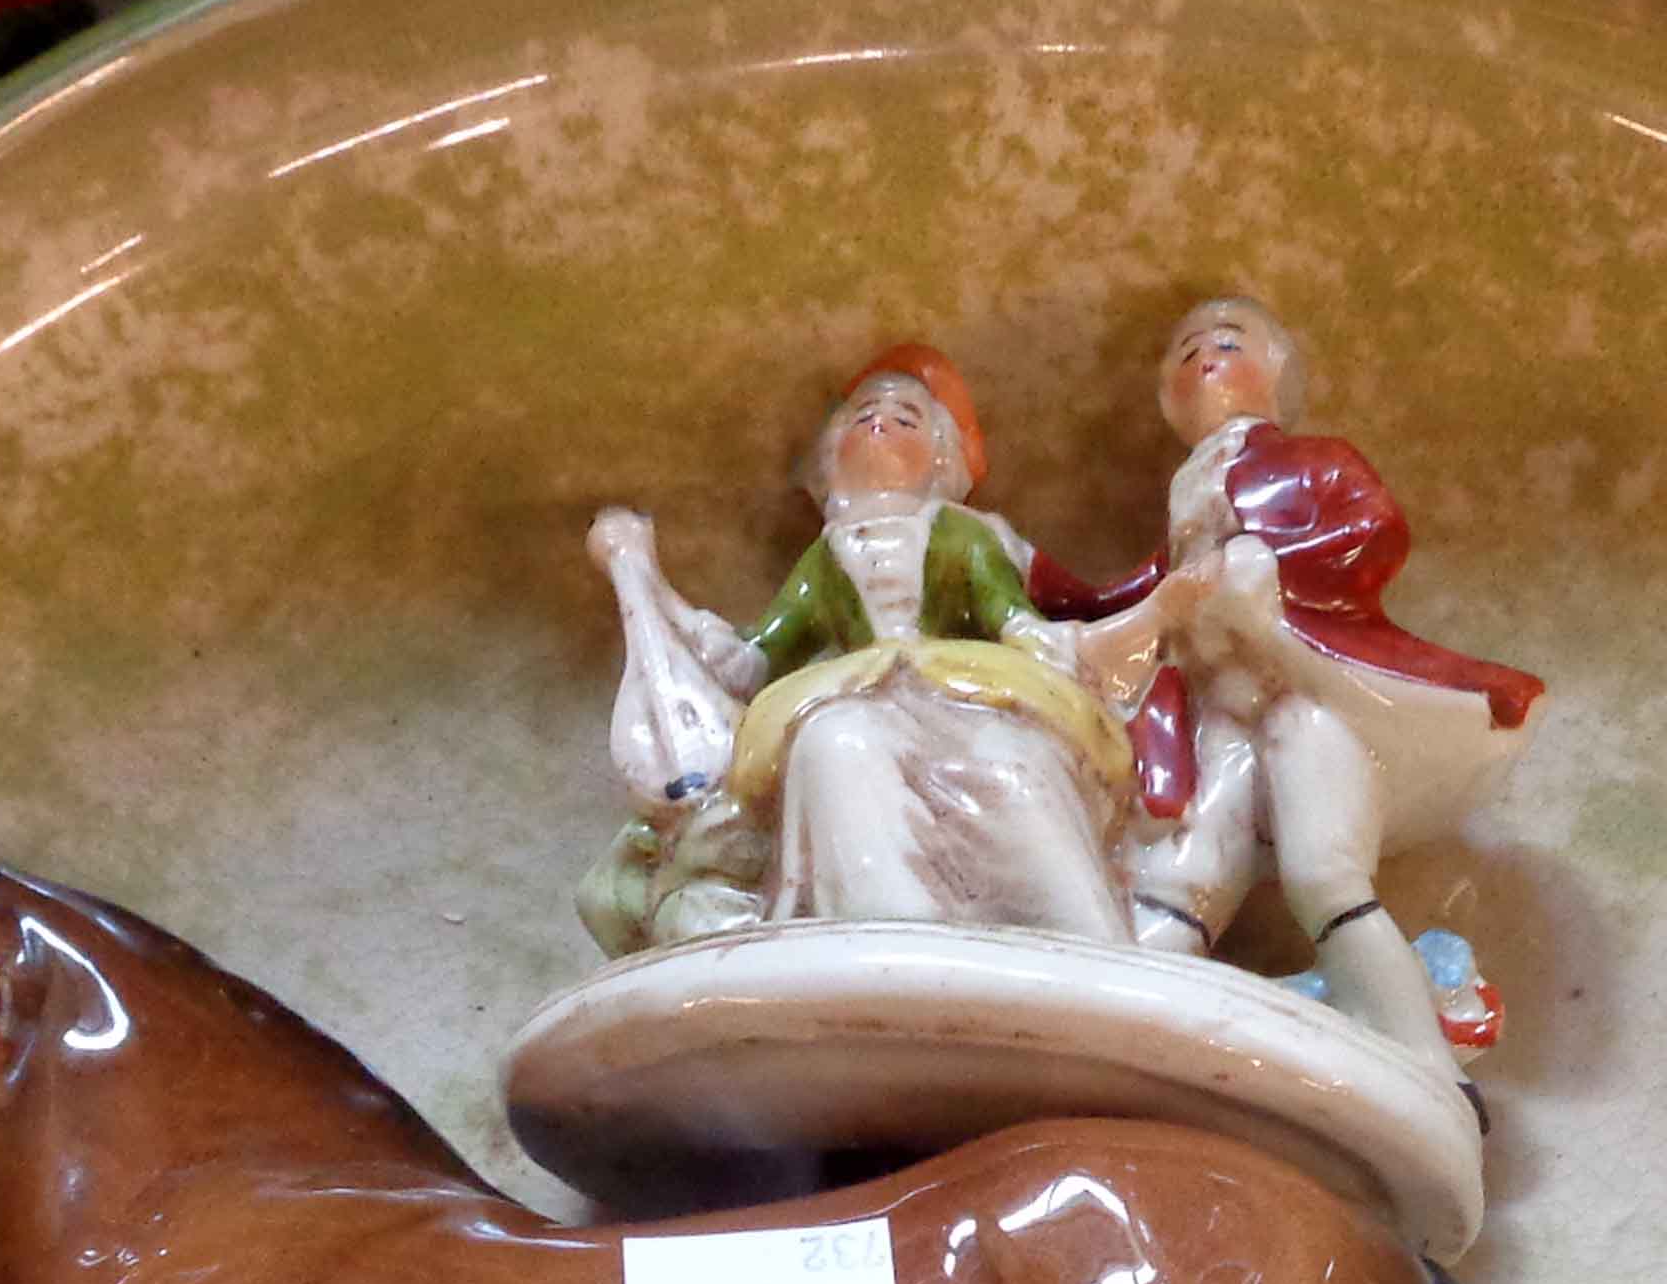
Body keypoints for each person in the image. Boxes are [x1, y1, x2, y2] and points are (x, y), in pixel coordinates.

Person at [1037, 297, 1541, 1068]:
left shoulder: (1314, 461)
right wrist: (1035, 582)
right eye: (1183, 353)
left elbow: (1372, 529)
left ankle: (1427, 1064)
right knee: (1176, 889)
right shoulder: (1188, 490)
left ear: (1275, 373)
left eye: (1227, 343)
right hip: (1213, 723)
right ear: (1167, 397)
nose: (1203, 357)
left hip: (1303, 698)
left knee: (1323, 876)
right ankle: (1191, 1043)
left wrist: (1263, 570)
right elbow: (1140, 593)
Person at [581, 349, 1137, 952]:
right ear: (830, 455)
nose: (883, 423)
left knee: (1012, 755)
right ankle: (888, 931)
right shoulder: (824, 559)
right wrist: (664, 599)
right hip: (845, 690)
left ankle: (1071, 933)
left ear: (942, 455)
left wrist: (1044, 643)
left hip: (967, 681)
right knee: (834, 744)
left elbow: (1011, 617)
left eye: (908, 418)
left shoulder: (964, 535)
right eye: (864, 414)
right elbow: (759, 658)